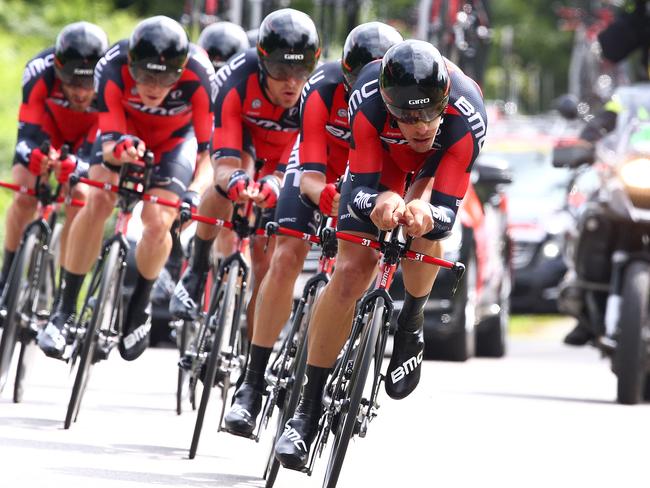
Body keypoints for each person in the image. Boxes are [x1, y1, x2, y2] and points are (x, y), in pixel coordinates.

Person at [273, 39, 487, 468]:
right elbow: (361, 185)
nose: (421, 124)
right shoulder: (368, 98)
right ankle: (307, 409)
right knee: (351, 272)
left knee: (423, 233)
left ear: (445, 99)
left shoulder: (466, 117)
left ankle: (411, 321)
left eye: (430, 112)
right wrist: (380, 202)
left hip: (433, 171)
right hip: (381, 164)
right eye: (408, 115)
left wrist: (425, 212)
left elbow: (448, 209)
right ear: (390, 105)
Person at [222, 21, 404, 438]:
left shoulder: (403, 103)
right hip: (319, 174)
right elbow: (310, 171)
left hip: (371, 178)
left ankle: (338, 360)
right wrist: (324, 195)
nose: (367, 98)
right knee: (285, 257)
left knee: (360, 266)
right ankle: (251, 383)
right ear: (345, 75)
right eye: (359, 85)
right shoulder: (320, 88)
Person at [38, 16, 215, 361]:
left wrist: (195, 190)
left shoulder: (200, 73)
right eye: (146, 75)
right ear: (131, 66)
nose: (154, 86)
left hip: (174, 144)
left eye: (165, 77)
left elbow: (211, 155)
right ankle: (65, 308)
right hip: (122, 135)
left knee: (158, 219)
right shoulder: (112, 65)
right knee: (99, 196)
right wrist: (120, 151)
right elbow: (107, 141)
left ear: (180, 72)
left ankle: (139, 306)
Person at [169, 9, 320, 346]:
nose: (292, 82)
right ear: (263, 63)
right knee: (223, 187)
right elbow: (222, 152)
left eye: (301, 71)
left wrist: (278, 181)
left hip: (286, 155)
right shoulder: (235, 77)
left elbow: (305, 152)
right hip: (245, 143)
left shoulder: (315, 92)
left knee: (265, 266)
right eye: (281, 71)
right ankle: (196, 269)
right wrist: (234, 176)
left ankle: (254, 355)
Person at [563, 0, 650, 346]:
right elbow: (605, 119)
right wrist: (582, 143)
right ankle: (584, 303)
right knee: (592, 216)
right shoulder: (629, 96)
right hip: (629, 177)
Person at [0, 22, 108, 295]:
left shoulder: (111, 79)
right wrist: (34, 155)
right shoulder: (39, 70)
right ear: (58, 70)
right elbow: (27, 133)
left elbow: (104, 138)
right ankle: (7, 277)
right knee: (25, 194)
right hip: (48, 132)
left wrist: (80, 166)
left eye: (88, 83)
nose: (80, 92)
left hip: (88, 140)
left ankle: (65, 290)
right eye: (71, 82)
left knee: (80, 195)